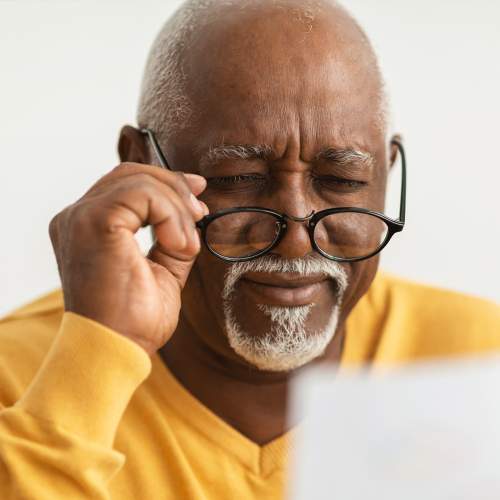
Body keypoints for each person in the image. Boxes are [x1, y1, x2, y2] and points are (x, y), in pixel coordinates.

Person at [0, 0, 498, 498]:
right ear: (139, 164)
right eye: (238, 179)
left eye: (342, 180)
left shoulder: (478, 363)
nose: (297, 236)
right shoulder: (18, 379)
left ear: (385, 175)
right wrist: (96, 357)